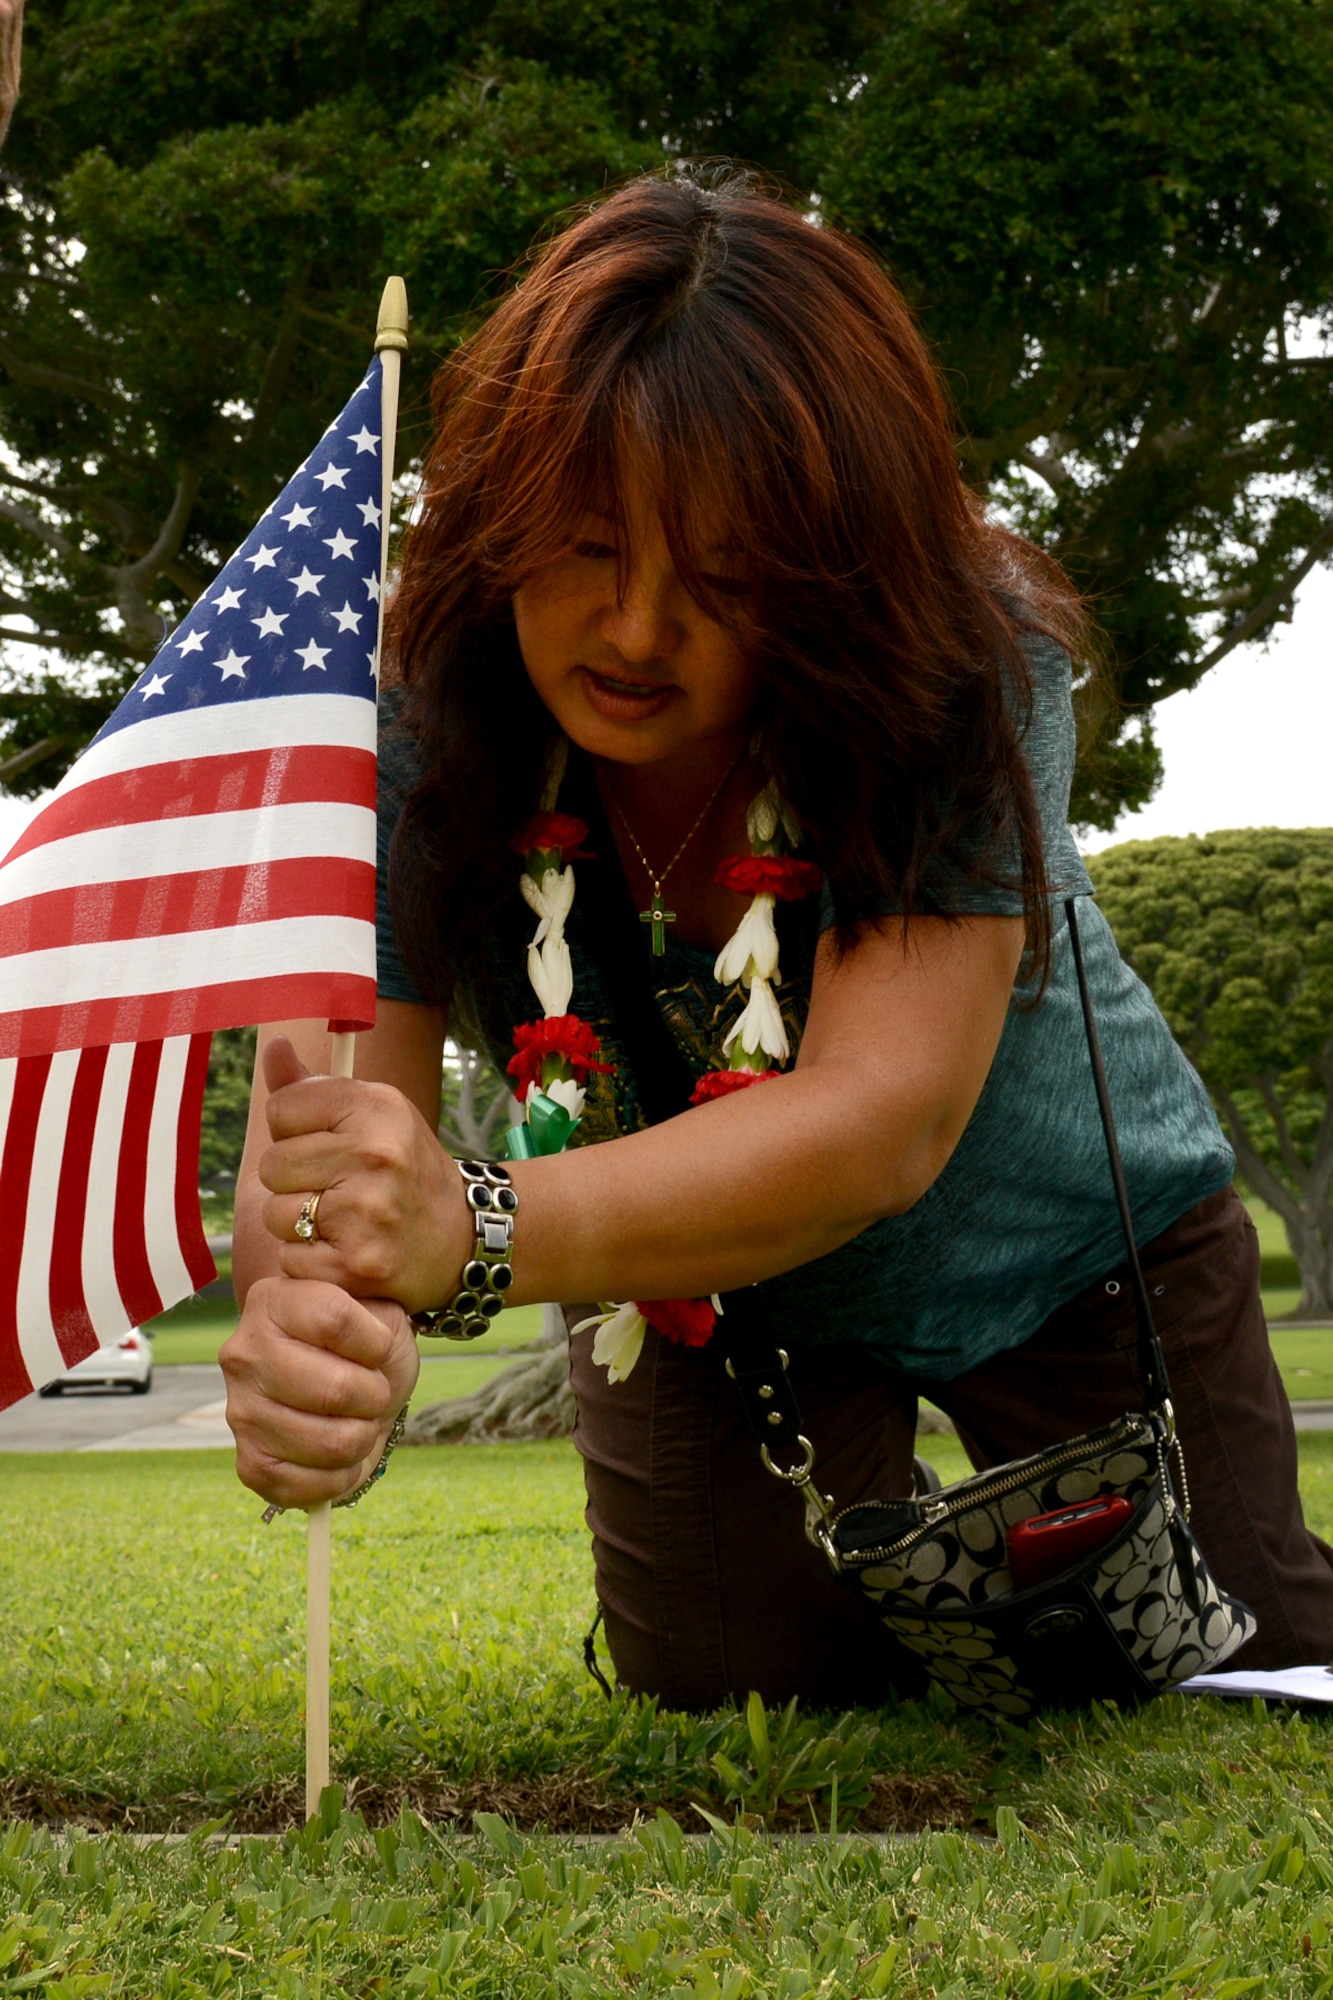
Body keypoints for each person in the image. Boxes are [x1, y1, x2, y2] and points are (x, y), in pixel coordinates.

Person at [222, 167, 1333, 1708]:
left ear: (837, 569)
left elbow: (881, 1119)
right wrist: (320, 1333)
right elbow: (332, 1141)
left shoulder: (963, 656)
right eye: (590, 542)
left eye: (725, 574)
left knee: (1239, 1673)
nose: (632, 630)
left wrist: (468, 1232)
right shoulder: (394, 715)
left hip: (1075, 1249)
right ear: (503, 507)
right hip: (700, 1296)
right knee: (735, 1693)